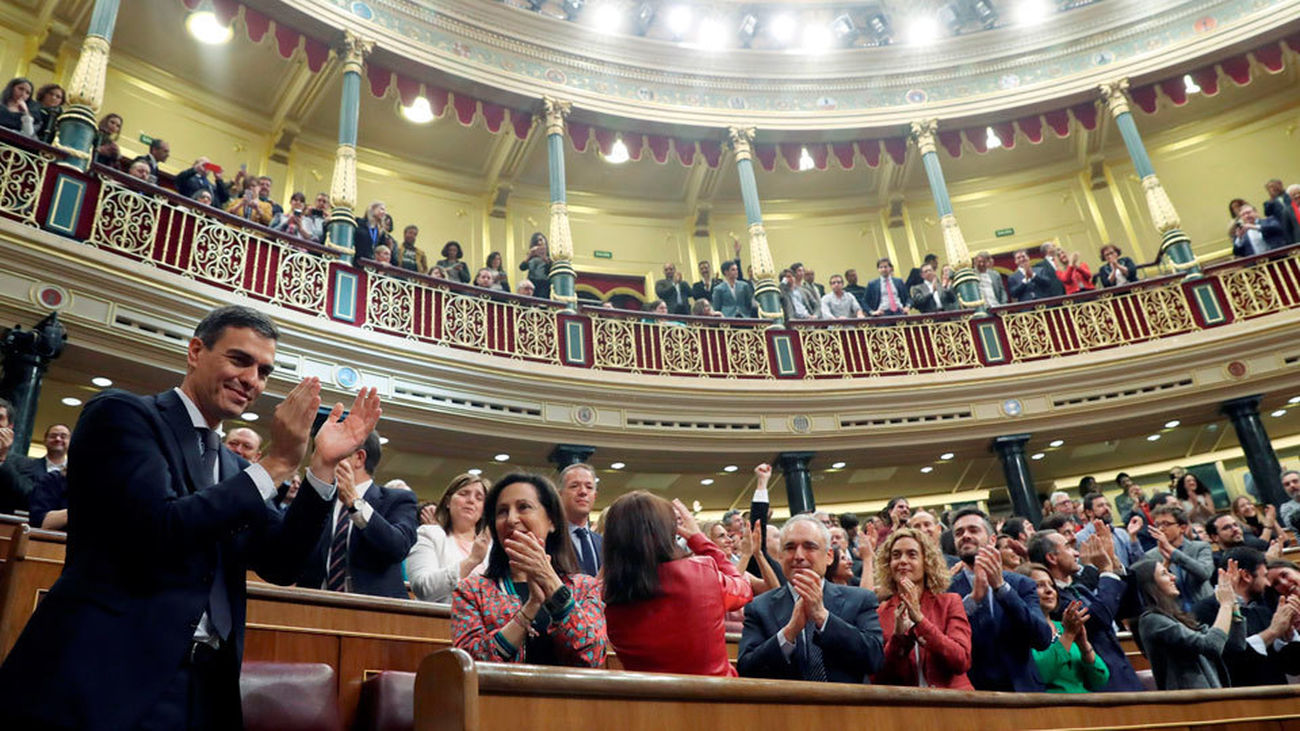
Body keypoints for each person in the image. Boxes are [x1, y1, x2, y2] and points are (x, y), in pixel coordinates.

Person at [0, 305, 382, 730]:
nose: (252, 380)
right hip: (105, 676)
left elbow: (281, 562)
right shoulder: (124, 415)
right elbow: (155, 532)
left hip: (205, 688)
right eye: (240, 360)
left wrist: (322, 468)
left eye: (264, 371)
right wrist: (275, 464)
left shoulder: (237, 470)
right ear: (196, 351)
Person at [450, 472, 606, 666]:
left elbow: (593, 654)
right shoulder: (472, 591)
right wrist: (530, 609)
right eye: (502, 511)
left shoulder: (584, 587)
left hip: (567, 696)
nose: (512, 519)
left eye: (524, 507)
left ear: (552, 521)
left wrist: (549, 580)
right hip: (497, 695)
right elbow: (468, 663)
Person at [603, 492, 752, 676]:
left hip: (650, 703)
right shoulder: (701, 574)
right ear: (667, 531)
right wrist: (699, 539)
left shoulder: (611, 598)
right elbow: (743, 590)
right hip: (716, 700)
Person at [737, 515, 885, 683]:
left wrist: (823, 617)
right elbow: (747, 670)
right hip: (785, 707)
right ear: (780, 557)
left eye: (809, 547)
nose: (799, 556)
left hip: (846, 707)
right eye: (790, 547)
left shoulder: (860, 599)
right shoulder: (759, 607)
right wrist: (789, 632)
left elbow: (875, 660)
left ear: (829, 556)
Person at [293, 430, 418, 598]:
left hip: (375, 613)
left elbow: (397, 547)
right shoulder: (319, 500)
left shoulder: (398, 499)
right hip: (314, 609)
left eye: (332, 452)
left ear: (358, 458)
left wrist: (354, 502)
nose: (320, 460)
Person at [947, 507, 1053, 691]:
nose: (965, 536)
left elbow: (1042, 638)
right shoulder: (945, 590)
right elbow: (946, 641)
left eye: (973, 530)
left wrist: (1002, 588)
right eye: (959, 533)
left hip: (1026, 692)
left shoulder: (1022, 584)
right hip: (975, 697)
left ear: (992, 540)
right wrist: (971, 602)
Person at [1027, 529, 1144, 691]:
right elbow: (1099, 619)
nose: (1076, 553)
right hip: (1097, 683)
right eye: (1068, 547)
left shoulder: (1079, 588)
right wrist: (1105, 570)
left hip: (1122, 674)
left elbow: (1129, 609)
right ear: (1052, 558)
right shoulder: (1051, 601)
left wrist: (1115, 565)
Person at [872, 527, 973, 689]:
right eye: (896, 555)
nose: (903, 561)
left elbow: (961, 660)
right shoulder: (880, 613)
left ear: (926, 562)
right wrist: (898, 638)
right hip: (906, 707)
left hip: (954, 704)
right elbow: (878, 677)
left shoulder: (950, 602)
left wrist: (920, 621)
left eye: (912, 554)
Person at [1193, 547, 1300, 687]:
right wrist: (1272, 632)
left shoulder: (1262, 610)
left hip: (1280, 697)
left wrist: (1289, 635)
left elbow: (1293, 667)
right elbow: (1230, 662)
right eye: (1264, 576)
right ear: (1246, 576)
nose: (1268, 584)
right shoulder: (1205, 611)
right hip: (1242, 702)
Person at [1134, 557, 1243, 690]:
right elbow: (1212, 645)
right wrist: (1225, 605)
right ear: (1149, 585)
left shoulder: (1177, 617)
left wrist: (1233, 603)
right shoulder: (1152, 621)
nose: (1173, 577)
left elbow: (1236, 645)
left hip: (1211, 695)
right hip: (1189, 702)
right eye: (1164, 574)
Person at [1016, 563, 1109, 693]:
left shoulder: (1063, 626)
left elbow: (1100, 679)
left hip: (1086, 706)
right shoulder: (1018, 632)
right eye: (1039, 585)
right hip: (1052, 709)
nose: (1050, 591)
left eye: (1052, 585)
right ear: (1022, 592)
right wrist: (1068, 635)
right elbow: (1041, 675)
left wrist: (1083, 644)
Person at [407, 473, 491, 603]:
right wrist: (472, 561)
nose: (471, 500)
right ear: (447, 502)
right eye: (464, 494)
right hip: (439, 620)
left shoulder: (491, 547)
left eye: (479, 498)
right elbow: (422, 588)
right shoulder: (428, 534)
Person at [559, 462, 601, 577]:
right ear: (560, 495)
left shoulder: (604, 544)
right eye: (574, 486)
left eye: (589, 487)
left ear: (595, 496)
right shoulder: (550, 540)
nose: (583, 492)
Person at [520, 232, 550, 299]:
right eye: (537, 241)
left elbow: (551, 268)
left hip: (544, 283)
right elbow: (522, 267)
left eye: (541, 240)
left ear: (545, 240)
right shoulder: (531, 256)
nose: (539, 243)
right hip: (532, 282)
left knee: (542, 302)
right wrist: (529, 256)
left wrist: (544, 257)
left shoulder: (549, 256)